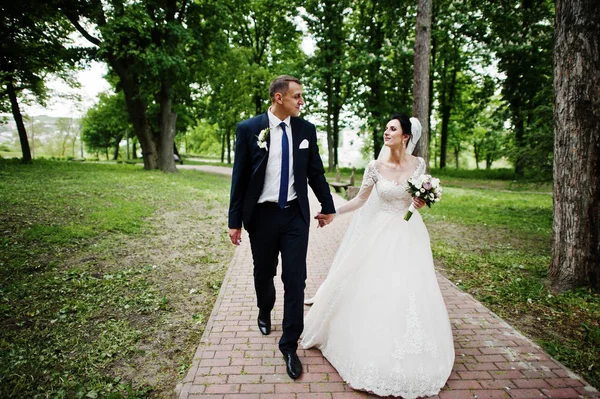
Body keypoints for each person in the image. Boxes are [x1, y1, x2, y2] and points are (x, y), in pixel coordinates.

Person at [304, 114, 455, 398]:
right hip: (380, 233)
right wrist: (333, 213)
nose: (386, 132)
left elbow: (413, 203)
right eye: (386, 128)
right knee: (376, 286)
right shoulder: (375, 166)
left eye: (393, 128)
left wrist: (419, 202)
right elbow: (361, 199)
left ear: (406, 136)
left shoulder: (418, 165)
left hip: (410, 232)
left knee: (408, 287)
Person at [228, 75, 336, 380]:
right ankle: (264, 309)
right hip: (260, 217)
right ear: (279, 98)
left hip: (294, 216)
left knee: (295, 278)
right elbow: (240, 177)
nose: (301, 102)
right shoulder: (249, 129)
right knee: (264, 273)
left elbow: (315, 172)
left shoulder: (306, 130)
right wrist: (234, 221)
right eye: (297, 97)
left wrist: (328, 206)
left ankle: (289, 344)